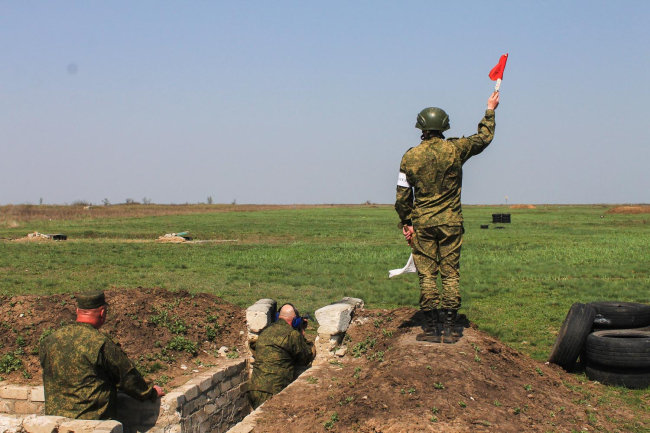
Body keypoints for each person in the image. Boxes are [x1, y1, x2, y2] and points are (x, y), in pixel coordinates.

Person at [395, 92, 500, 343]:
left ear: (421, 128)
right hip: (451, 223)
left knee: (427, 276)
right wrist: (490, 109)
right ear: (444, 127)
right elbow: (484, 138)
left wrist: (407, 223)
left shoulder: (409, 157)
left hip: (423, 225)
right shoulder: (456, 149)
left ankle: (431, 329)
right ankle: (451, 329)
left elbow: (402, 196)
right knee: (451, 274)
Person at [39, 291, 165, 419]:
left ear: (77, 311)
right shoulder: (101, 343)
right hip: (92, 420)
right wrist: (150, 391)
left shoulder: (49, 341)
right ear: (102, 312)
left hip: (56, 420)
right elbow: (127, 377)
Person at [247, 303, 316, 409]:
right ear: (295, 321)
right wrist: (302, 333)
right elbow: (306, 357)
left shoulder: (266, 331)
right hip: (272, 391)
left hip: (253, 389)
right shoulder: (292, 335)